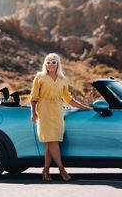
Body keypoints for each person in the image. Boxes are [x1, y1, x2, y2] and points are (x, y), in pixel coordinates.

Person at [29, 52, 90, 181]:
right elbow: (34, 97)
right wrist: (33, 113)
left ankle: (45, 171)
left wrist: (83, 107)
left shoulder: (62, 79)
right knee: (53, 140)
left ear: (58, 64)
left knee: (51, 142)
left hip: (57, 111)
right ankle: (62, 169)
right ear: (45, 64)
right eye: (49, 62)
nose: (51, 64)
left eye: (54, 62)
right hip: (44, 111)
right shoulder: (40, 77)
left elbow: (67, 98)